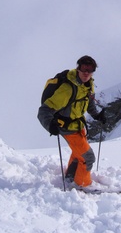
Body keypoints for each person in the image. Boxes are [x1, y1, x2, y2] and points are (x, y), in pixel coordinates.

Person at [37, 55, 106, 188]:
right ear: (78, 68)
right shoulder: (68, 89)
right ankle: (83, 185)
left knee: (78, 152)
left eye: (90, 69)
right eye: (83, 68)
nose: (86, 73)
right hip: (67, 127)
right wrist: (50, 125)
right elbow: (44, 111)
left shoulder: (88, 84)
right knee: (88, 157)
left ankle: (70, 176)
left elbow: (89, 102)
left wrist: (97, 115)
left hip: (78, 125)